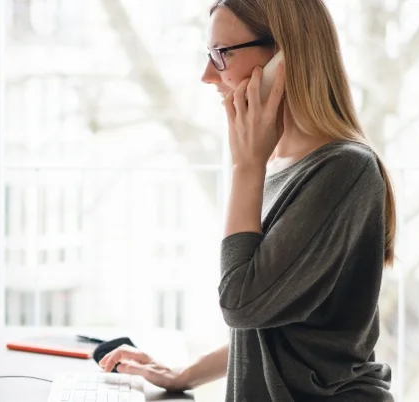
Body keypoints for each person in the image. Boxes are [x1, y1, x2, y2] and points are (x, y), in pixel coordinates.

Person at [98, 0, 397, 400]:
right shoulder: (277, 162)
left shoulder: (344, 170)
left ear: (284, 57)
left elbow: (241, 304)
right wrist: (182, 375)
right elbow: (270, 323)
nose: (207, 75)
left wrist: (245, 167)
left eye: (221, 54)